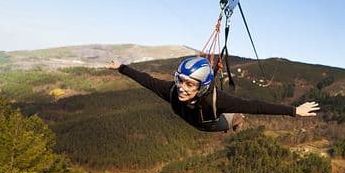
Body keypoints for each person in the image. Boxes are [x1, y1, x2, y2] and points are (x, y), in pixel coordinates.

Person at [107, 56, 319, 132]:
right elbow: (146, 80)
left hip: (214, 123)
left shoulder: (218, 99)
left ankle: (237, 121)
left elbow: (256, 106)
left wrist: (293, 111)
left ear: (202, 86)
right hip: (197, 120)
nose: (182, 88)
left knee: (235, 115)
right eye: (180, 80)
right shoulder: (172, 91)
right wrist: (121, 67)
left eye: (189, 84)